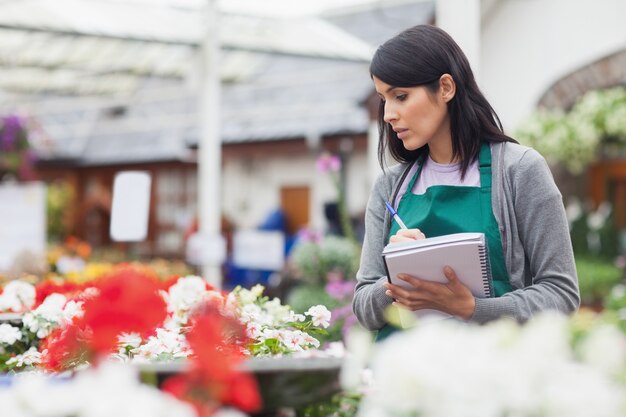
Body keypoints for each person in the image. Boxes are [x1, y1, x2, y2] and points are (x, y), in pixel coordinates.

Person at [352, 25, 580, 339]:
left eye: (401, 96)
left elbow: (561, 295)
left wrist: (472, 308)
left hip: (490, 375)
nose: (389, 114)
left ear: (446, 88)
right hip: (402, 378)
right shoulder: (389, 187)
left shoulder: (520, 171)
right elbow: (364, 307)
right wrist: (394, 277)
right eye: (383, 100)